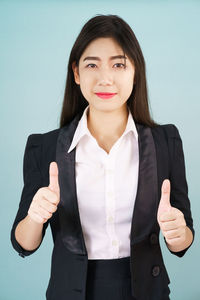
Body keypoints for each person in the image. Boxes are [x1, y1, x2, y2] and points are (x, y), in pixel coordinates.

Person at [10, 14, 194, 300]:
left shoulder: (165, 142)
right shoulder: (44, 147)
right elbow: (24, 243)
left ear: (135, 72)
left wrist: (177, 232)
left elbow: (183, 241)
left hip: (146, 291)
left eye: (118, 64)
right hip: (71, 292)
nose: (105, 78)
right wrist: (34, 217)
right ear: (76, 73)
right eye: (92, 64)